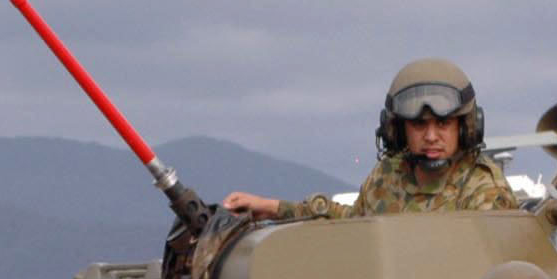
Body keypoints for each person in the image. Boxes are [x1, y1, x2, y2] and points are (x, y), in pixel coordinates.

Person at [222, 59, 520, 221]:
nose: (431, 136)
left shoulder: (484, 189)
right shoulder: (388, 176)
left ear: (465, 128)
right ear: (398, 131)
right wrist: (272, 208)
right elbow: (354, 221)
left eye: (443, 124)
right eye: (418, 125)